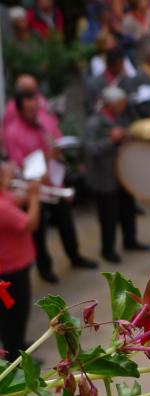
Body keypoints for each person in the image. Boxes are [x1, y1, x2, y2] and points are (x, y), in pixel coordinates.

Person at [3, 90, 98, 284]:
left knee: (66, 222)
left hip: (54, 182)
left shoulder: (45, 121)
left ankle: (75, 256)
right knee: (39, 233)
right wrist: (45, 158)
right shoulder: (12, 132)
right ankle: (45, 269)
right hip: (34, 190)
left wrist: (57, 154)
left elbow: (57, 143)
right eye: (30, 111)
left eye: (36, 109)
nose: (35, 114)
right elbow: (18, 166)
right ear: (20, 111)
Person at [84, 86, 150, 263]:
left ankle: (130, 240)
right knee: (108, 216)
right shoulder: (94, 123)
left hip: (123, 172)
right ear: (111, 105)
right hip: (105, 178)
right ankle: (108, 249)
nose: (124, 105)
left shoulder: (120, 115)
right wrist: (111, 140)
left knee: (128, 208)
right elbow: (91, 149)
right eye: (121, 103)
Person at [0, 161, 40, 361]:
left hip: (14, 267)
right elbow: (30, 224)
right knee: (14, 316)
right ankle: (15, 358)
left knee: (16, 315)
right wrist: (35, 197)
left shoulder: (3, 197)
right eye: (5, 175)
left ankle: (19, 346)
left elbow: (16, 199)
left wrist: (31, 192)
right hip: (10, 271)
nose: (8, 177)